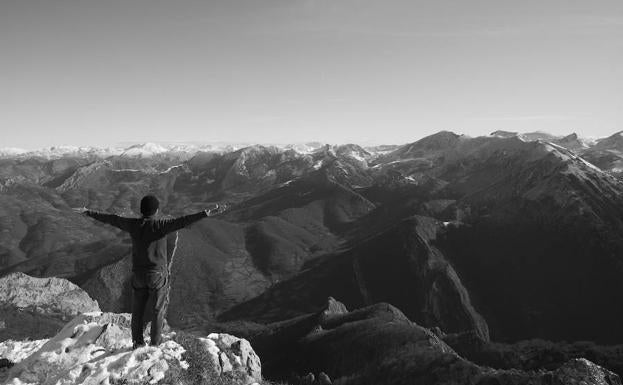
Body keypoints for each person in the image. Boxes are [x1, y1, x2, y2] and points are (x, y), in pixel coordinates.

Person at [80, 195, 220, 349]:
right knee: (158, 310)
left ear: (141, 210)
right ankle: (154, 344)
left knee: (137, 311)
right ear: (156, 210)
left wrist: (88, 212)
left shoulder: (133, 224)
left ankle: (137, 342)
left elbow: (112, 219)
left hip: (138, 275)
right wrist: (204, 213)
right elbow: (183, 221)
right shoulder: (160, 225)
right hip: (157, 275)